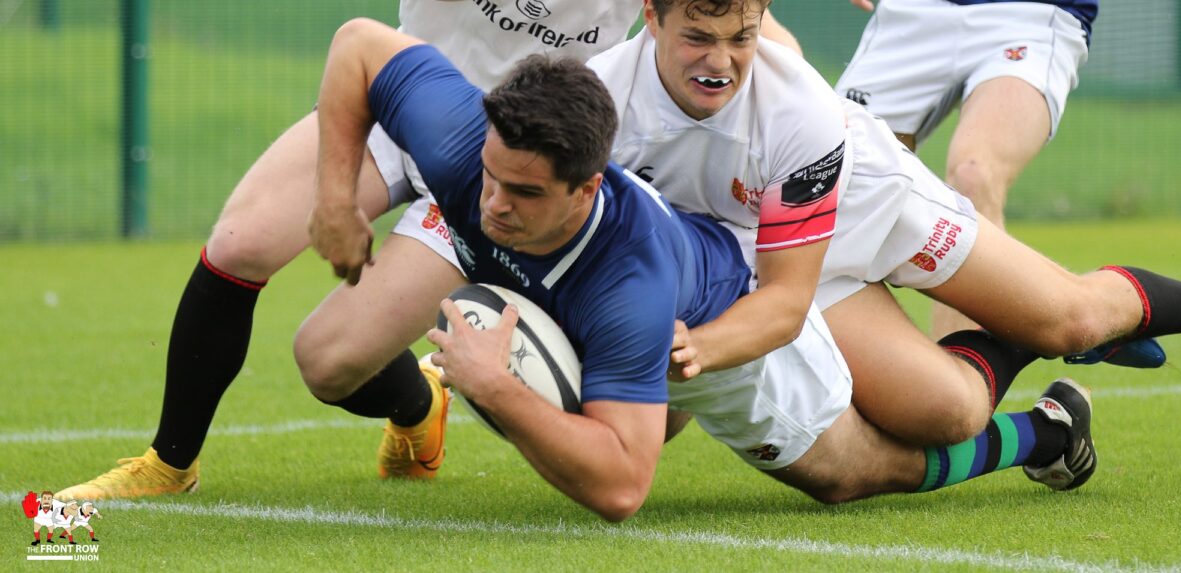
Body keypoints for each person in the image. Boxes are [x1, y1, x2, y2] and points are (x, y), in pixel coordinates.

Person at [308, 20, 1095, 518]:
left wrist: (496, 386)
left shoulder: (631, 281)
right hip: (662, 303)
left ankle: (1039, 425)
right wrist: (337, 199)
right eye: (490, 177)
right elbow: (360, 45)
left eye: (525, 193)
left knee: (860, 468)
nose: (492, 204)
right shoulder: (466, 145)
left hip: (730, 338)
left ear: (586, 188)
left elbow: (622, 489)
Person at [56, 0, 802, 501]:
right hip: (420, 108)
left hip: (527, 171)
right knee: (241, 242)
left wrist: (815, 124)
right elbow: (358, 44)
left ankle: (424, 401)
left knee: (328, 361)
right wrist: (334, 199)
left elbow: (753, 32)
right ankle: (170, 463)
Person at [585, 0, 1181, 451]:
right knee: (948, 414)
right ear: (651, 15)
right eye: (697, 37)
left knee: (1074, 319)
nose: (720, 62)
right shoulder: (599, 104)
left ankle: (1054, 323)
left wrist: (697, 350)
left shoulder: (797, 106)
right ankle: (1017, 335)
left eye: (741, 38)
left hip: (870, 204)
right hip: (769, 253)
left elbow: (785, 304)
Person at [830, 0, 1145, 348]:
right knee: (835, 179)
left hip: (1029, 14)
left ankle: (969, 374)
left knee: (975, 175)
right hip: (915, 12)